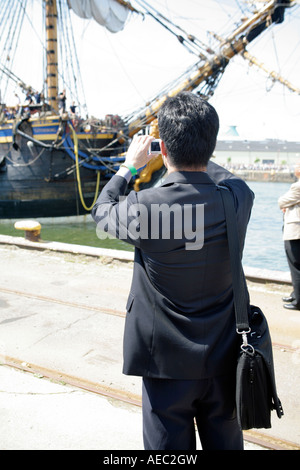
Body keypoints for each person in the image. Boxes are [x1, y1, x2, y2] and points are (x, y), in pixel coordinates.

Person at [92, 92, 254, 450]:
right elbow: (227, 177)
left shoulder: (144, 206)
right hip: (225, 357)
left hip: (163, 360)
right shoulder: (238, 198)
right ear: (211, 146)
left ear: (162, 149)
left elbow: (101, 213)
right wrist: (197, 154)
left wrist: (128, 168)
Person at [278, 164, 300, 310]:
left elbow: (281, 201)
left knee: (295, 265)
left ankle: (298, 301)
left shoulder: (297, 187)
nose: (295, 167)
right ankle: (295, 293)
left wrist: (284, 204)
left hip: (295, 230)